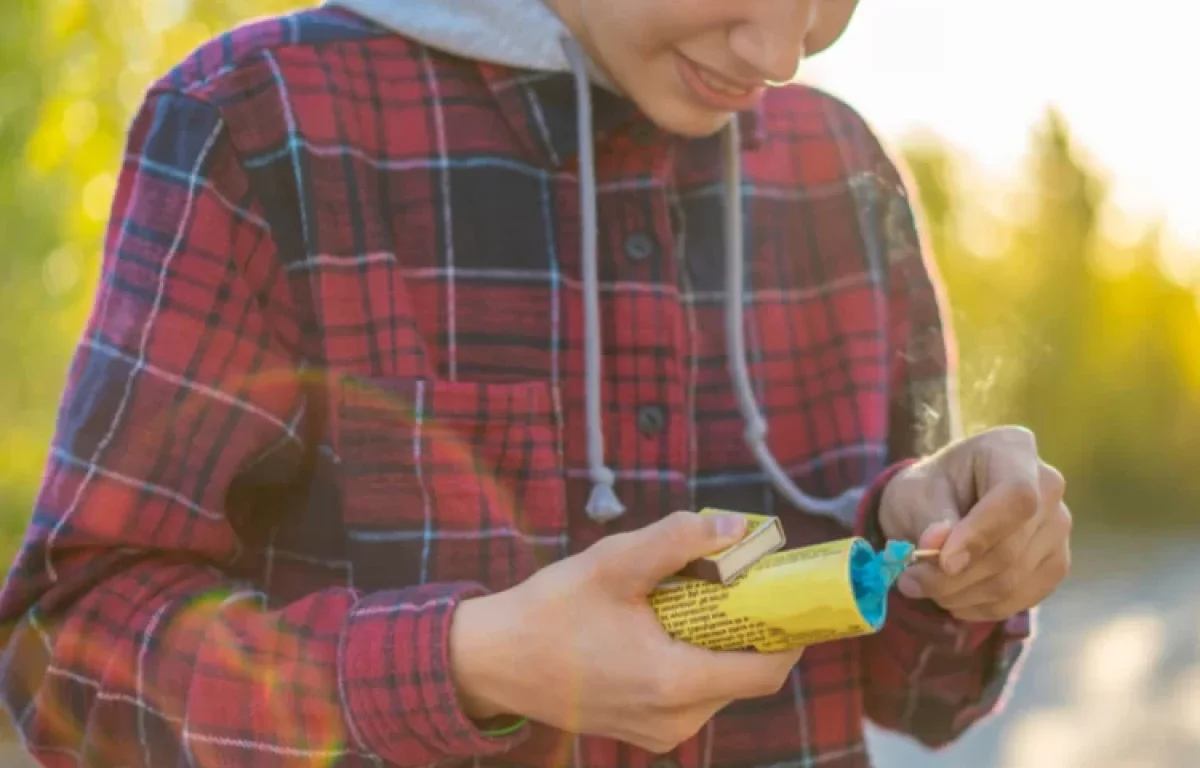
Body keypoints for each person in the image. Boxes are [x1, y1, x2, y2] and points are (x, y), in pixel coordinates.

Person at [0, 1, 1072, 766]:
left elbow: (925, 708)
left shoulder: (840, 169)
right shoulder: (256, 121)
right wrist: (474, 663)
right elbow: (69, 660)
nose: (782, 51)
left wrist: (948, 557)